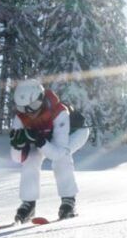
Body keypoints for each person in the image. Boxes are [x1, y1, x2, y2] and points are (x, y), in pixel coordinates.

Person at [9, 78, 90, 221]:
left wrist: (39, 141)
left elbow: (58, 153)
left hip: (74, 133)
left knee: (62, 159)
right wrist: (18, 146)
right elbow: (17, 159)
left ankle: (69, 201)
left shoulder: (59, 112)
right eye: (23, 108)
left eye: (33, 105)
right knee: (30, 160)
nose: (29, 112)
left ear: (40, 99)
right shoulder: (20, 118)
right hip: (45, 136)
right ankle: (29, 204)